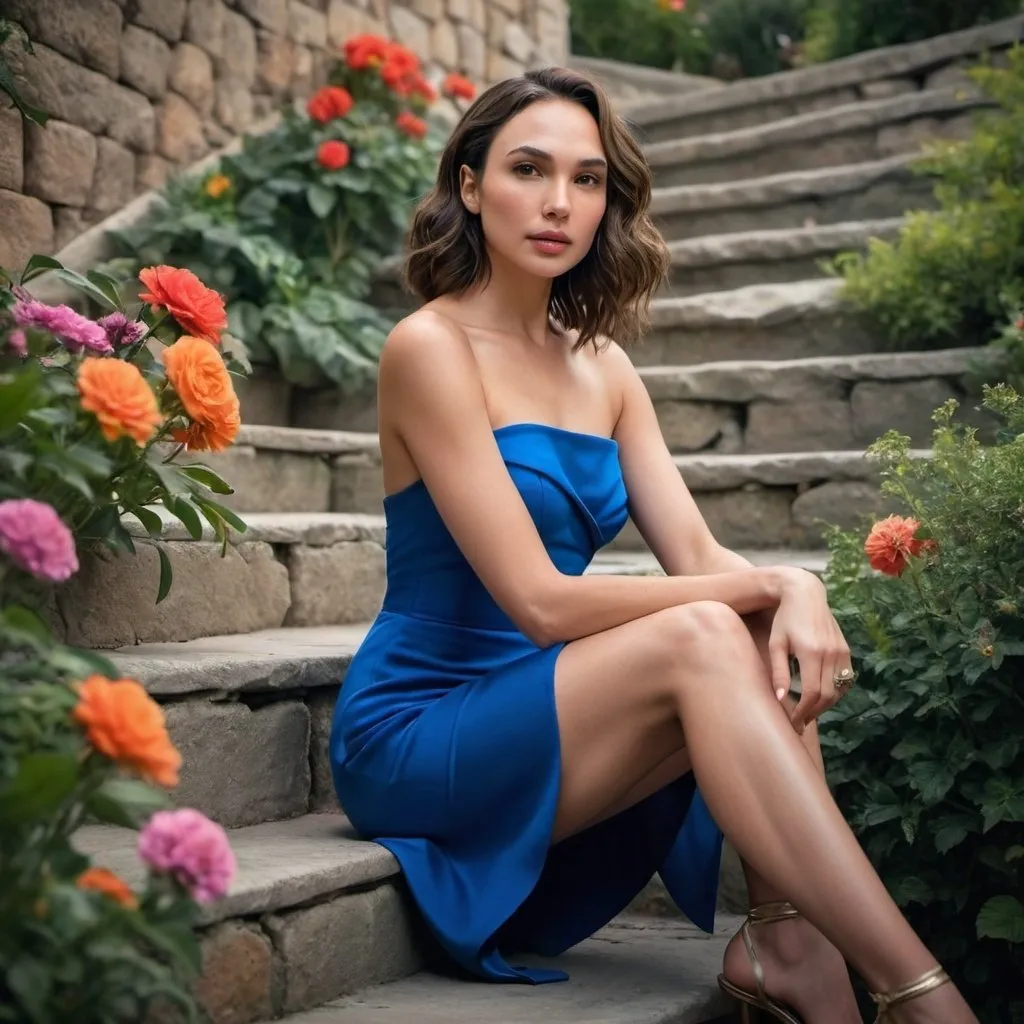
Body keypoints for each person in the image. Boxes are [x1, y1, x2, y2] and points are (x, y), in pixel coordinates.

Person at [329, 67, 979, 1024]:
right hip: (421, 728)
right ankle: (923, 995)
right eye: (528, 169)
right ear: (469, 186)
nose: (559, 203)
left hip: (556, 709)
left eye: (587, 180)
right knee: (710, 625)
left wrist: (787, 585)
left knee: (741, 618)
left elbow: (695, 550)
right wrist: (763, 585)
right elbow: (541, 602)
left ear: (607, 200)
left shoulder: (605, 366)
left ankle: (788, 940)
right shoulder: (429, 348)